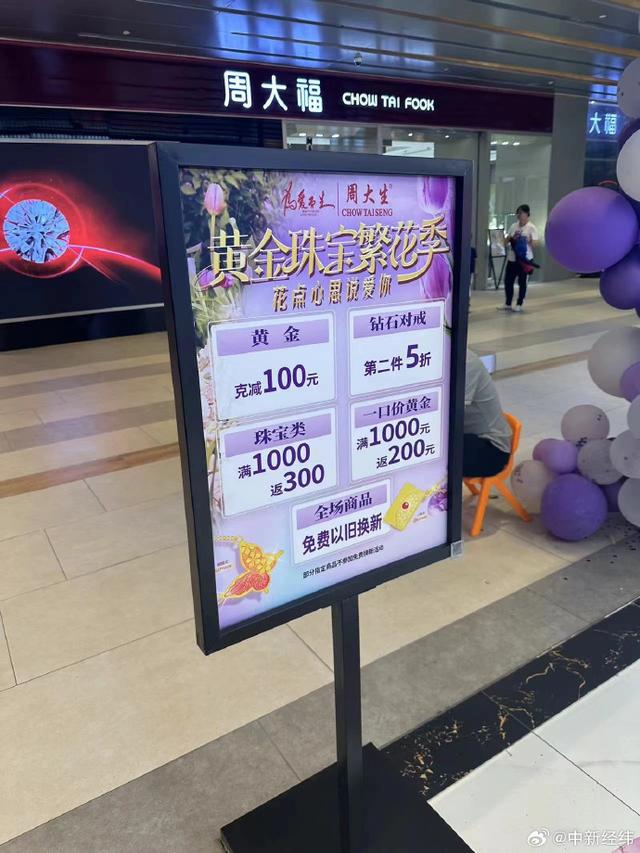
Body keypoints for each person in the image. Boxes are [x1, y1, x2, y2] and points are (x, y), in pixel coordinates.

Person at [463, 349, 512, 478]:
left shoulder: (465, 361)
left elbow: (451, 413)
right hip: (466, 435)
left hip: (492, 448)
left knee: (436, 454)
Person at [498, 204, 539, 313]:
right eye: (518, 213)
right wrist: (509, 239)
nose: (519, 215)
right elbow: (506, 240)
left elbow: (535, 244)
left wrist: (526, 240)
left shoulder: (531, 228)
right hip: (512, 258)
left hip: (524, 260)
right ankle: (508, 303)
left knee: (522, 283)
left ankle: (519, 303)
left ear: (527, 214)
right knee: (508, 281)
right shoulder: (513, 226)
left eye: (521, 213)